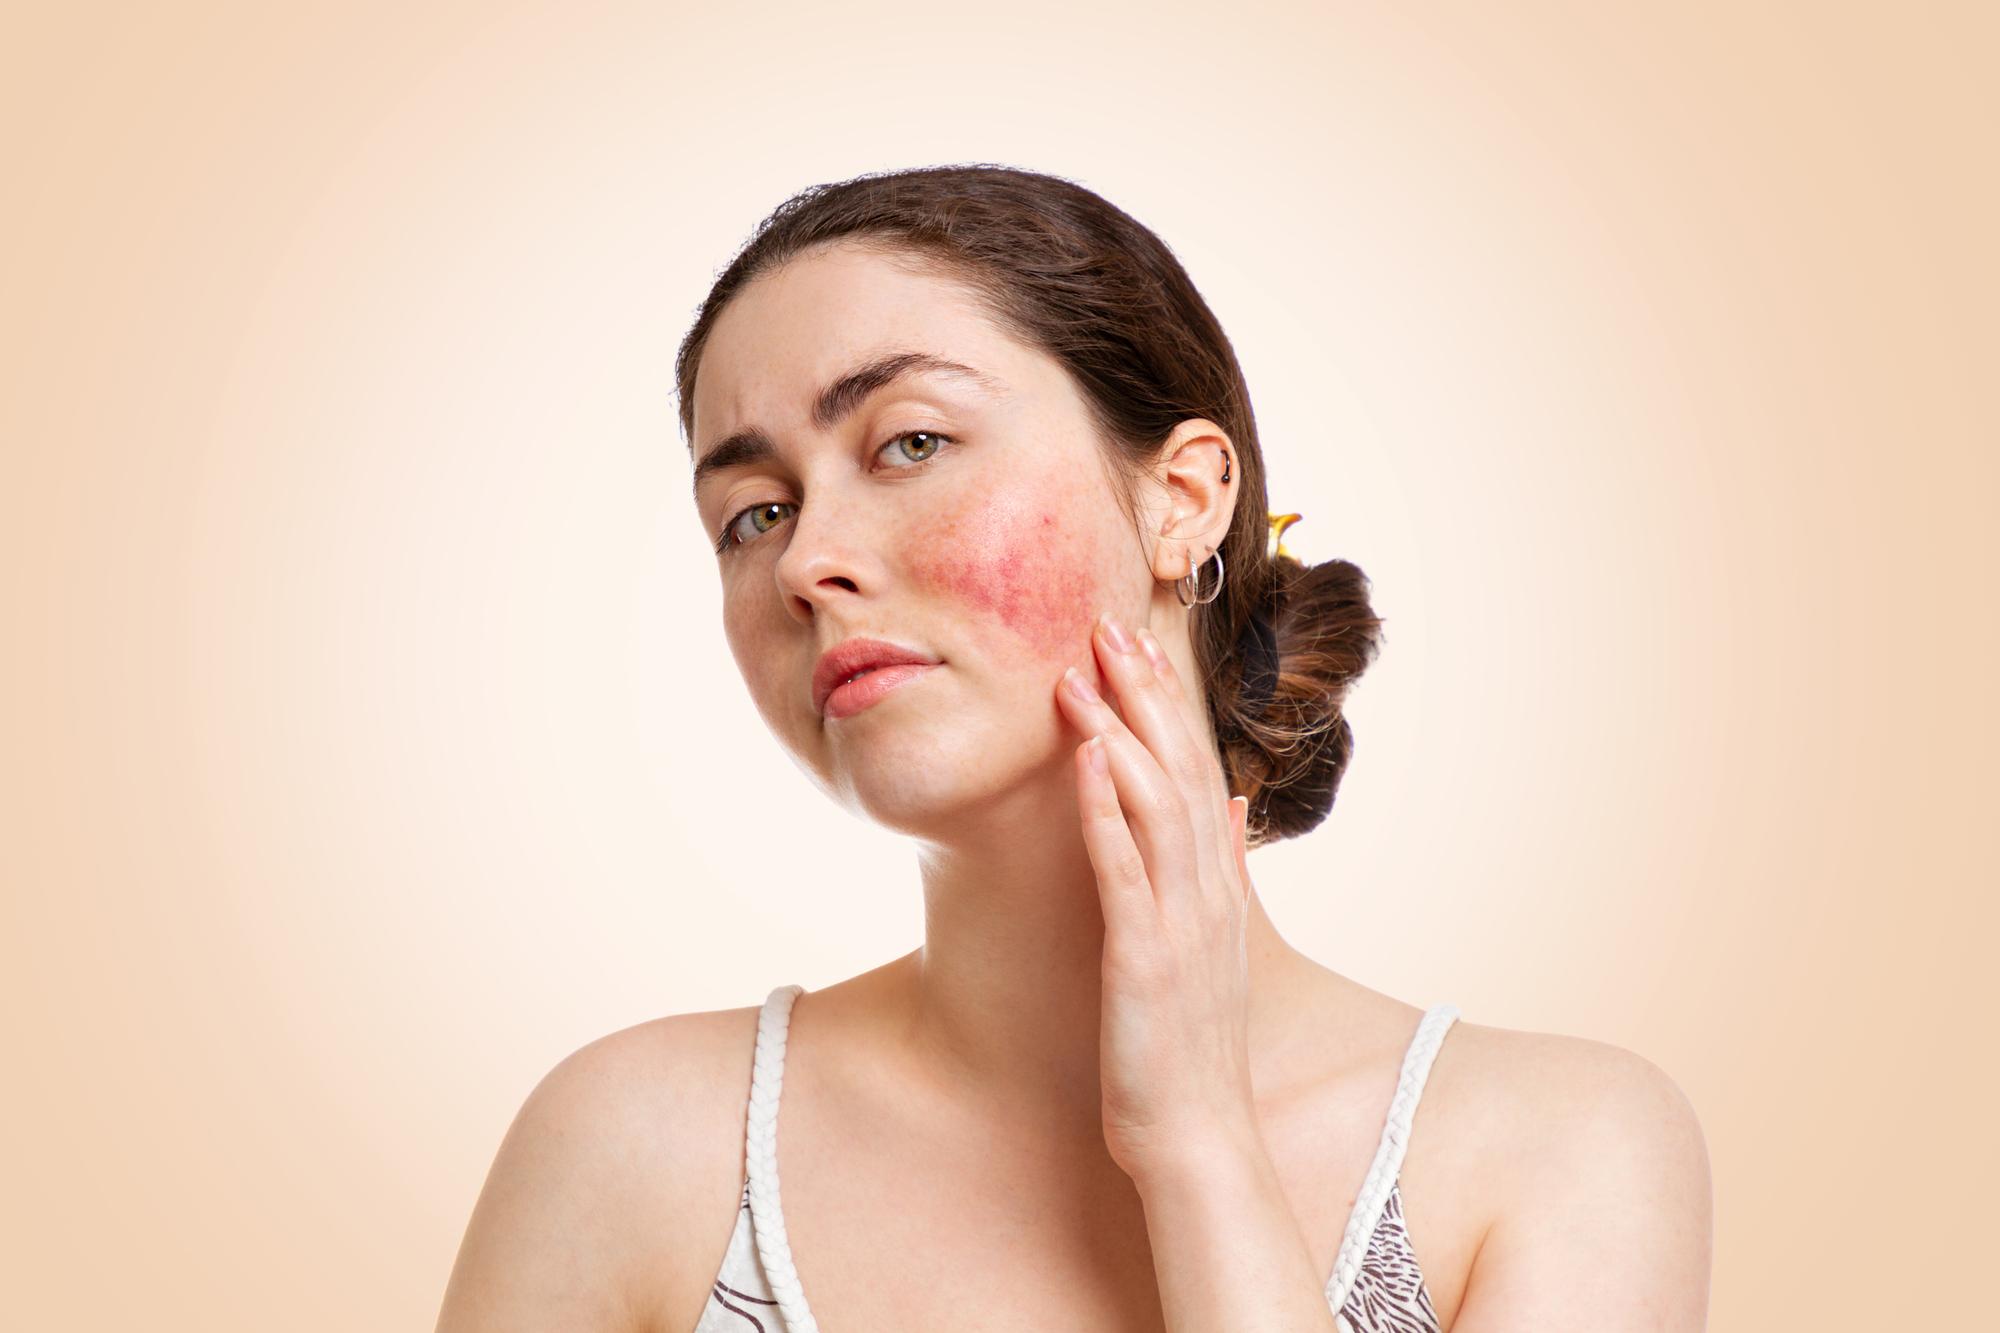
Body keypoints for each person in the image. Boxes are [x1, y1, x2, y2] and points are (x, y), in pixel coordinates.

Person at [436, 164, 1712, 1332]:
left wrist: (1198, 1141)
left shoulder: (1557, 1153)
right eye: (752, 512)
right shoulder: (636, 1151)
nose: (809, 561)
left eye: (910, 442)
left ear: (1182, 498)